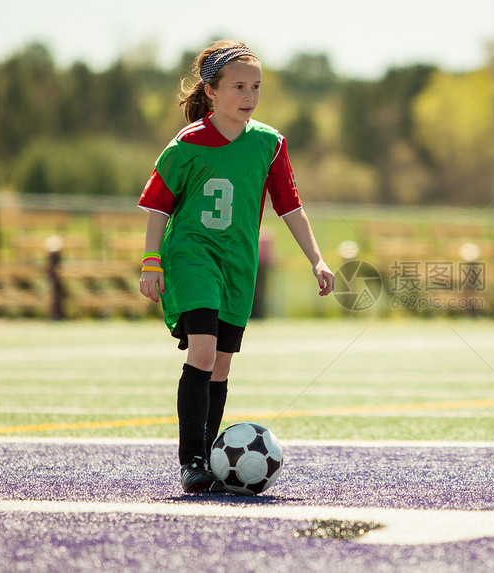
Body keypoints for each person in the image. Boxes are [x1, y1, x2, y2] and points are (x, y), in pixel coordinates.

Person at [137, 39, 334, 492]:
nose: (249, 96)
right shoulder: (186, 146)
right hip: (192, 256)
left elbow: (291, 209)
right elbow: (157, 209)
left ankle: (209, 458)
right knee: (202, 351)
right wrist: (152, 262)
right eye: (239, 86)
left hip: (238, 265)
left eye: (256, 87)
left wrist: (317, 259)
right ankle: (191, 462)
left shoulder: (270, 143)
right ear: (211, 90)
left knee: (221, 365)